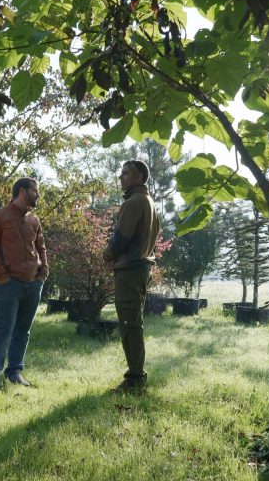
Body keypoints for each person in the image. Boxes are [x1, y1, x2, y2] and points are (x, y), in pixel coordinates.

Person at [0, 177, 48, 390]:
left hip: (33, 284)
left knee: (23, 330)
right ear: (21, 190)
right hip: (8, 283)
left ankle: (15, 372)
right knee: (3, 329)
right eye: (35, 190)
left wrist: (43, 270)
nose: (38, 194)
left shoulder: (34, 220)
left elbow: (41, 247)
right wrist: (2, 274)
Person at [103, 160, 161, 393]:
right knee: (133, 322)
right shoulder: (149, 201)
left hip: (130, 269)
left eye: (125, 173)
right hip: (139, 269)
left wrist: (107, 253)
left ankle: (135, 379)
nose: (120, 177)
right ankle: (136, 377)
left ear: (139, 177)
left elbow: (121, 236)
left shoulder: (135, 201)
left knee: (130, 325)